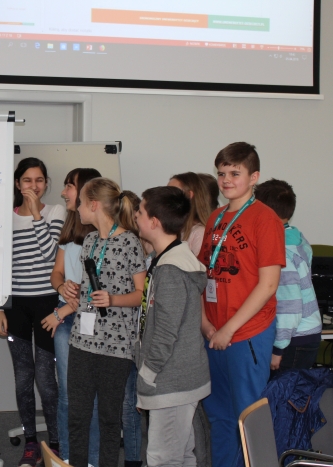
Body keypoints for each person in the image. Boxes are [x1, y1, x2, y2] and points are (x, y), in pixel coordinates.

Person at [197, 142, 285, 467]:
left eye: (235, 173)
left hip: (246, 332)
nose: (226, 180)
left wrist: (229, 329)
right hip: (214, 332)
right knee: (219, 416)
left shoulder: (265, 218)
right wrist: (206, 324)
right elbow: (204, 274)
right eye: (222, 173)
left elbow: (268, 285)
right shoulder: (216, 217)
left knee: (249, 418)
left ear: (254, 177)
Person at [0, 157, 66, 467]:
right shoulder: (4, 218)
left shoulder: (56, 212)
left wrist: (37, 214)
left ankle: (57, 444)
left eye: (39, 180)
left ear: (46, 183)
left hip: (48, 303)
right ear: (17, 183)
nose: (33, 186)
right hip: (16, 305)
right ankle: (31, 442)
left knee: (47, 380)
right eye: (27, 180)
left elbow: (51, 256)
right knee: (23, 377)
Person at [68, 178, 146, 467]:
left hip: (116, 346)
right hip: (82, 340)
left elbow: (142, 294)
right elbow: (91, 286)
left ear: (93, 205)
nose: (76, 208)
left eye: (80, 203)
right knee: (77, 416)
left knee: (109, 419)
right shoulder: (89, 241)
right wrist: (74, 290)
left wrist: (113, 300)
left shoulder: (130, 242)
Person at [134, 186, 210, 467]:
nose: (136, 215)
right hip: (173, 377)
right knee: (181, 455)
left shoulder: (171, 270)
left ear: (154, 222)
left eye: (140, 211)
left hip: (171, 381)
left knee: (163, 459)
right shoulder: (165, 259)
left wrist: (148, 374)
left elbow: (166, 333)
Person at [41, 168, 102, 467]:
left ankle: (90, 460)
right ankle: (66, 458)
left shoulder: (103, 236)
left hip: (90, 321)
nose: (64, 193)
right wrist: (60, 286)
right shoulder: (69, 229)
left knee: (90, 396)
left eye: (69, 187)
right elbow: (57, 272)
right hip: (66, 322)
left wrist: (63, 309)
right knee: (66, 394)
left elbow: (98, 291)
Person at [254, 179, 322, 375]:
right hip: (301, 335)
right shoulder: (296, 237)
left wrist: (278, 349)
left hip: (293, 339)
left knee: (282, 392)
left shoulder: (280, 252)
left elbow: (288, 304)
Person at [168, 172, 212, 256]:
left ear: (189, 195)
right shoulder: (174, 229)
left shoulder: (200, 233)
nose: (165, 197)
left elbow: (199, 264)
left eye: (173, 193)